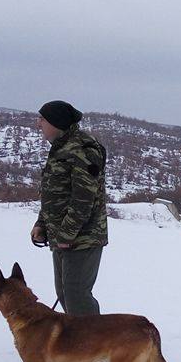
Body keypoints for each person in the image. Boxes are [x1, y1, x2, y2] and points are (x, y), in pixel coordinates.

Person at [29, 100, 108, 315]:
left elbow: (83, 198)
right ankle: (81, 344)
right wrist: (42, 224)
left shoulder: (82, 149)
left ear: (57, 122)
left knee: (77, 296)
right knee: (65, 294)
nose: (39, 124)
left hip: (82, 237)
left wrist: (66, 234)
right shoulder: (60, 148)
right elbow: (55, 194)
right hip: (62, 237)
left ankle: (94, 344)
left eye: (43, 119)